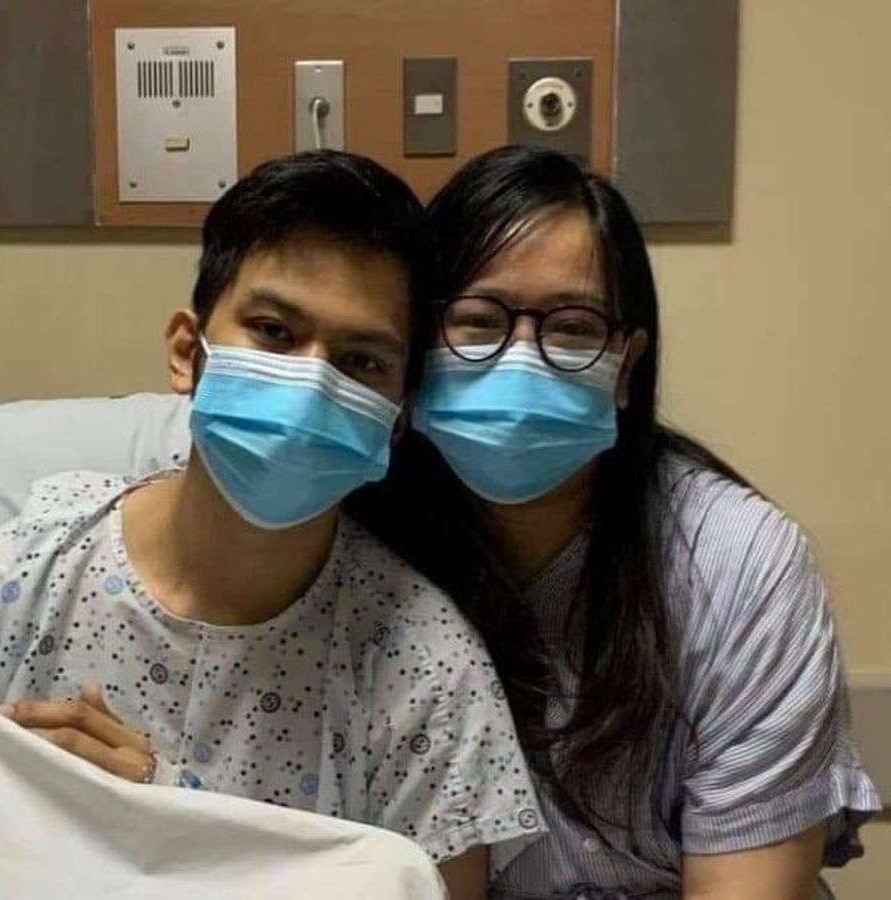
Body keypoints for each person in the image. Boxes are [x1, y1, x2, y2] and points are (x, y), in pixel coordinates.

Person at [0, 151, 542, 897]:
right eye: (273, 331)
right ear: (185, 352)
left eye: (361, 361)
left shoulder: (425, 673)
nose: (310, 383)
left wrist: (167, 826)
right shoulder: (22, 577)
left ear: (398, 416)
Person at [348, 145, 883, 898]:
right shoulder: (353, 548)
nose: (522, 360)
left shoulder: (735, 563)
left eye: (573, 328)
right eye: (476, 321)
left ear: (626, 366)